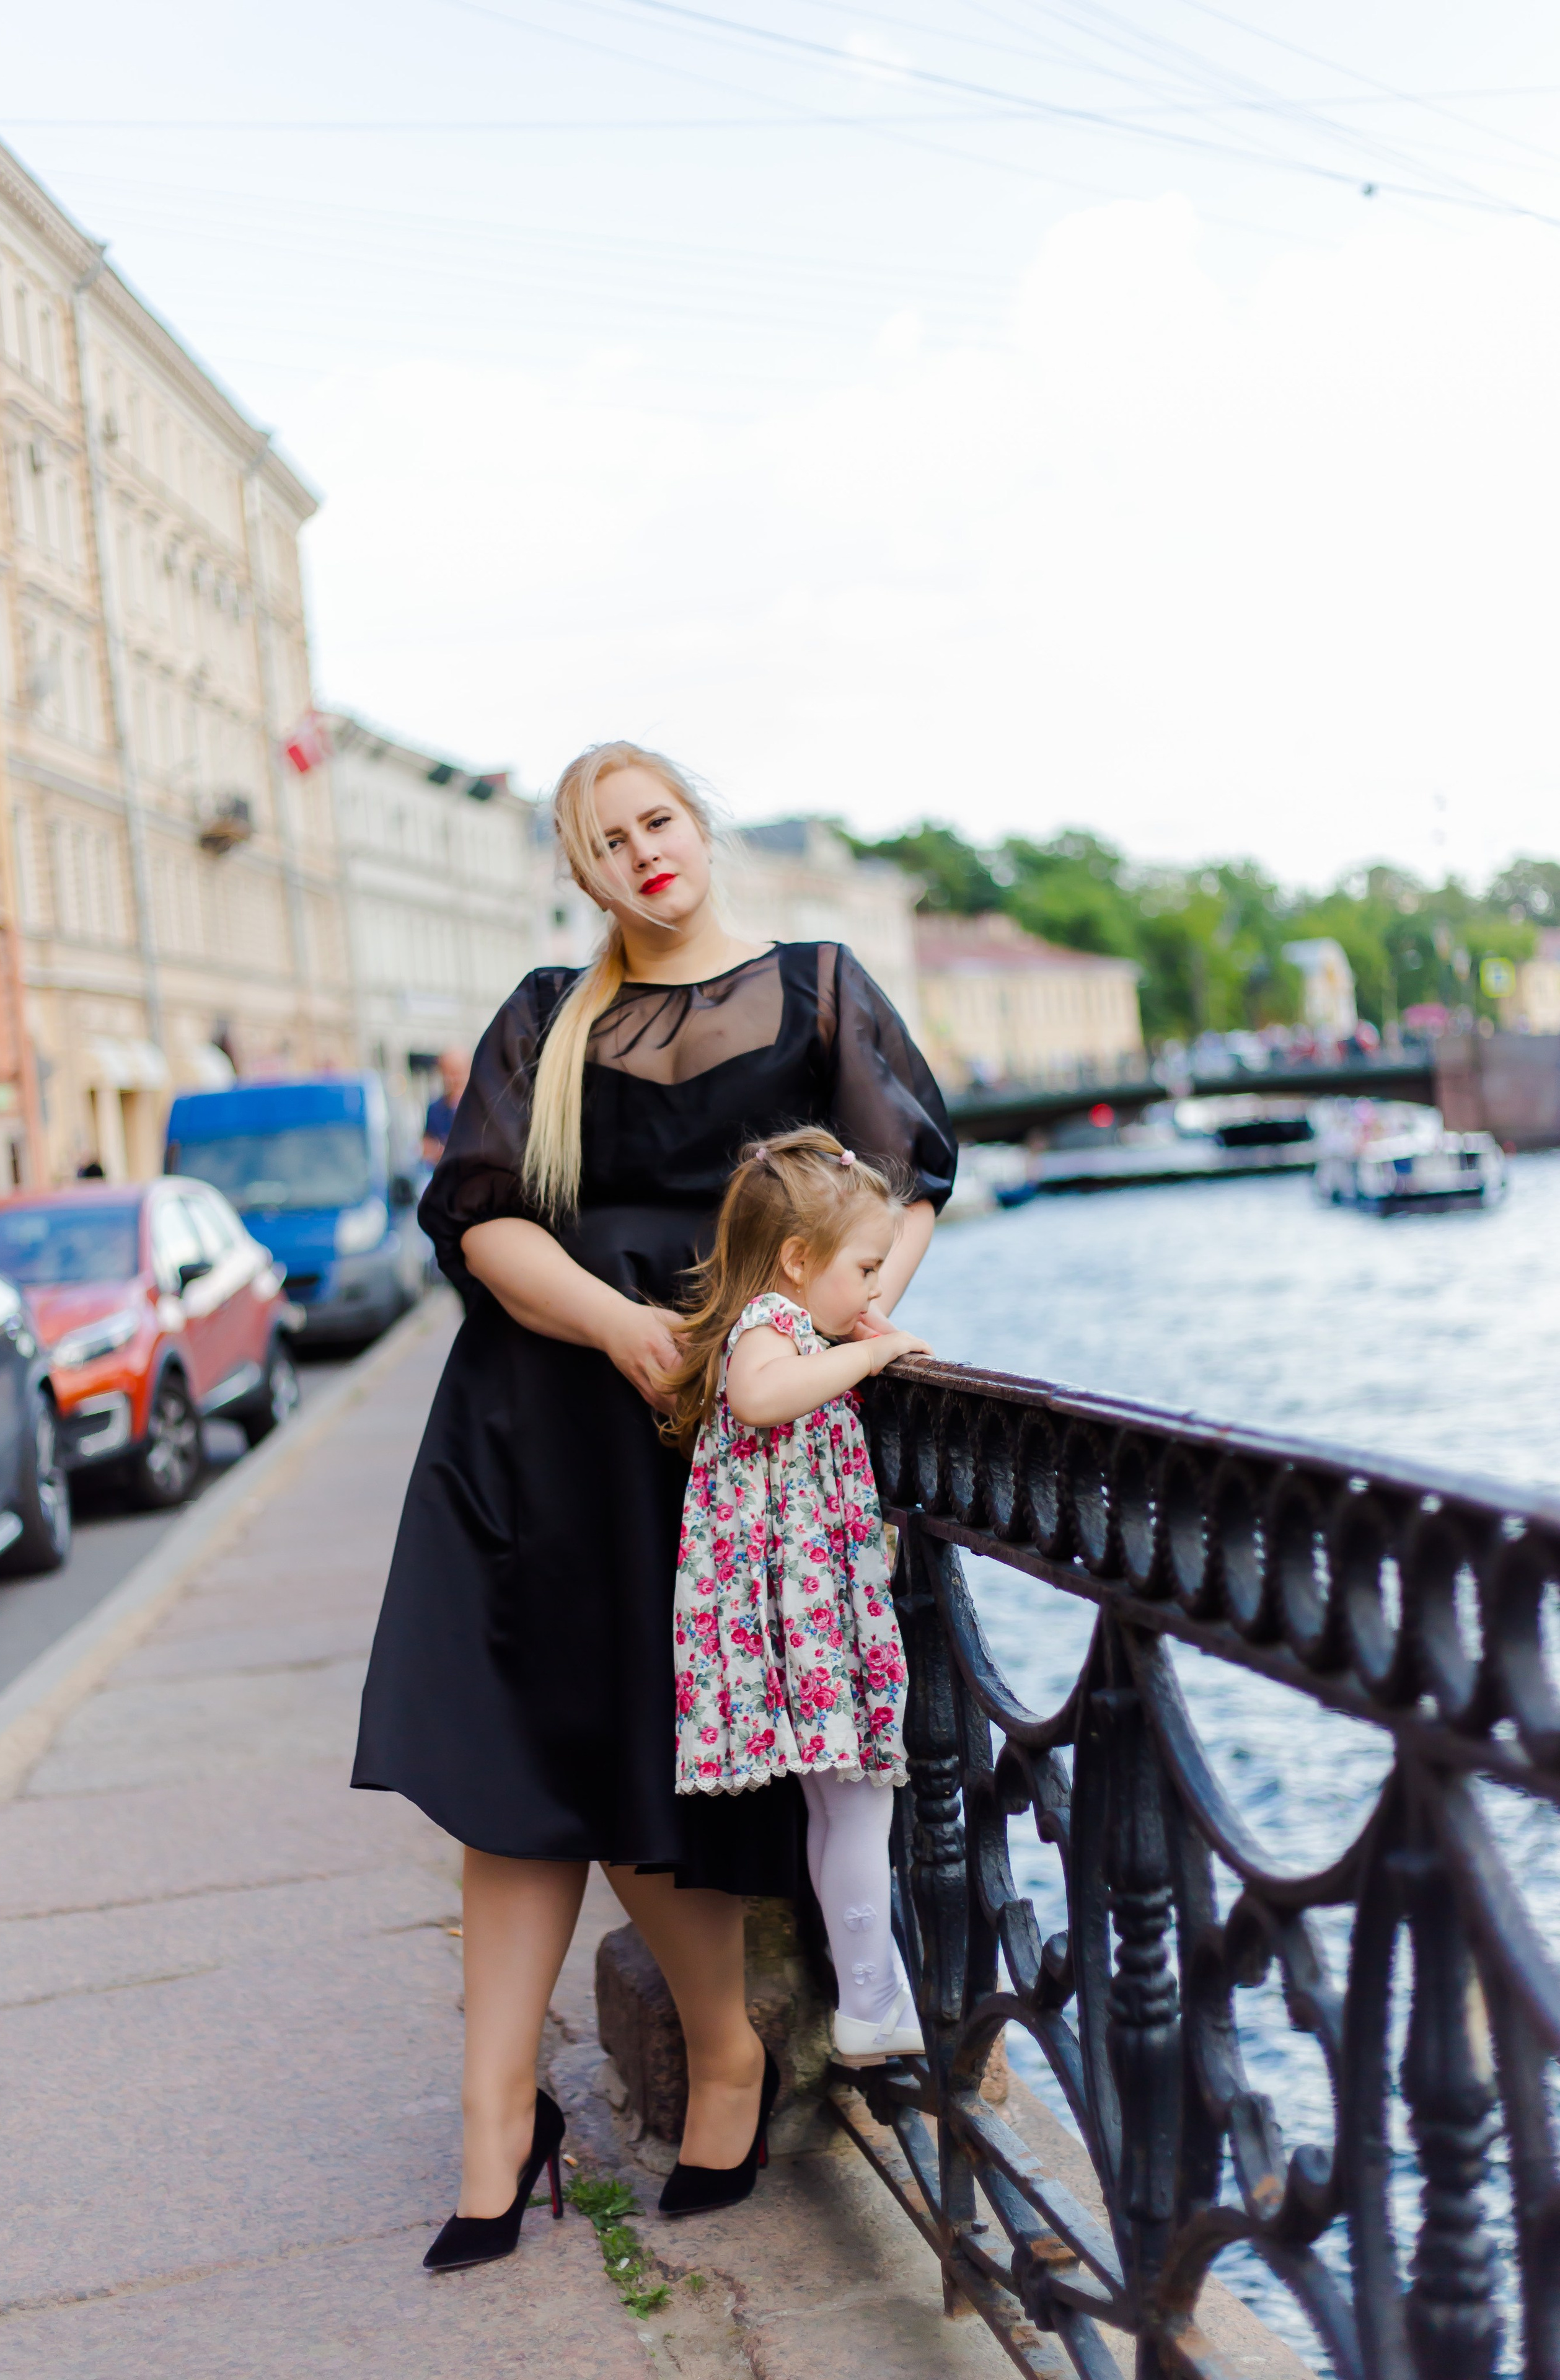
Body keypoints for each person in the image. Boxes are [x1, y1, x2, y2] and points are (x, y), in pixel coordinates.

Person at [352, 739, 956, 2272]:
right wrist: (621, 1326)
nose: (640, 855)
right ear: (582, 871)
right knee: (509, 1760)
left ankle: (728, 2053)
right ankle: (495, 2124)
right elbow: (477, 1217)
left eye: (657, 822)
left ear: (699, 824)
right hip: (537, 1409)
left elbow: (901, 1186)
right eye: (606, 842)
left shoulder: (817, 988)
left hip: (709, 1447)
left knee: (645, 1763)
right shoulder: (545, 1019)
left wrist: (830, 1332)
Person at [661, 1129, 932, 2198]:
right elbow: (761, 1399)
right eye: (863, 1267)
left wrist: (857, 1332)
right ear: (795, 1264)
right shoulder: (766, 1332)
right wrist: (867, 1355)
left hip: (808, 1604)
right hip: (806, 1616)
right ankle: (872, 2000)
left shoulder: (780, 1319)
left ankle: (875, 1993)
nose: (875, 1285)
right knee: (858, 1797)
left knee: (843, 1805)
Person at [420, 1048, 470, 1167]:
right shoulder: (435, 1109)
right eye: (448, 1073)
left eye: (457, 1073)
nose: (453, 1079)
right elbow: (426, 1145)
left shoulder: (479, 1107)